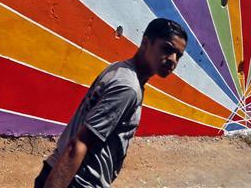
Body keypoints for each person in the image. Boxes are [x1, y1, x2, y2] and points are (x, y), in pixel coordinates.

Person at [34, 18, 188, 188]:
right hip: (74, 181)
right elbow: (80, 143)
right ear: (145, 43)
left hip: (61, 172)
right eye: (167, 48)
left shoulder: (120, 69)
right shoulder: (128, 87)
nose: (173, 60)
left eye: (178, 56)